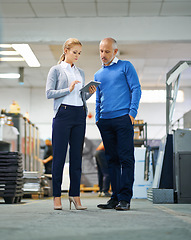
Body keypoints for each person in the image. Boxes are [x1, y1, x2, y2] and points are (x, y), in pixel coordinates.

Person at [46, 38, 96, 210]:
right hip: (63, 114)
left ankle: (75, 196)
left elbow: (80, 96)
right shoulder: (56, 70)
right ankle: (57, 197)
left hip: (79, 114)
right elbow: (49, 93)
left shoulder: (80, 72)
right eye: (74, 52)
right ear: (66, 50)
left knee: (76, 158)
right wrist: (68, 88)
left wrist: (89, 93)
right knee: (59, 158)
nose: (77, 56)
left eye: (79, 53)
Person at [94, 38, 141, 211]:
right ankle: (114, 198)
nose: (103, 55)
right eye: (101, 51)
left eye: (107, 51)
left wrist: (131, 114)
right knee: (111, 160)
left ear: (115, 52)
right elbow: (99, 98)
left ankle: (125, 198)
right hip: (105, 121)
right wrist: (97, 118)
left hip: (123, 119)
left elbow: (136, 88)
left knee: (126, 159)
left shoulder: (125, 66)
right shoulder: (98, 75)